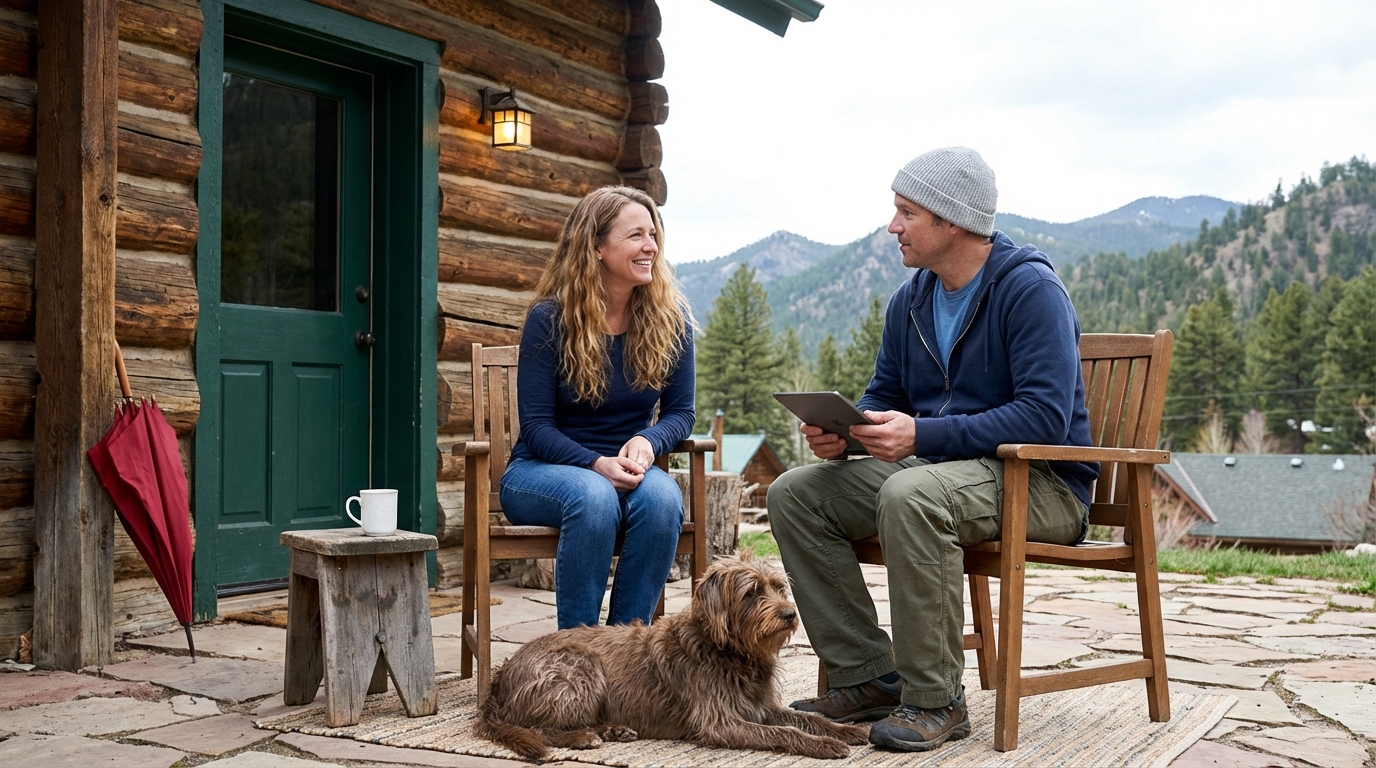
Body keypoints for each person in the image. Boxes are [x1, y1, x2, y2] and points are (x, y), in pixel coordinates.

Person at [768, 147, 1098, 752]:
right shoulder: (911, 300)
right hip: (942, 473)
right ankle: (868, 675)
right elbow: (883, 397)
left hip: (1043, 483)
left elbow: (1045, 417)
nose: (892, 226)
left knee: (910, 493)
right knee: (795, 494)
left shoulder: (1030, 290)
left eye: (905, 212)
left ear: (950, 221)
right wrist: (843, 435)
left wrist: (921, 435)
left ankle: (935, 700)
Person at [501, 185, 695, 630]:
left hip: (628, 472)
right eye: (635, 236)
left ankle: (626, 653)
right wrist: (595, 464)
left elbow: (681, 412)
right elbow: (535, 426)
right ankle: (577, 653)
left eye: (653, 234)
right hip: (542, 472)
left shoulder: (671, 319)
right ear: (595, 248)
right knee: (593, 496)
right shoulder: (550, 319)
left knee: (665, 499)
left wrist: (649, 439)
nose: (651, 246)